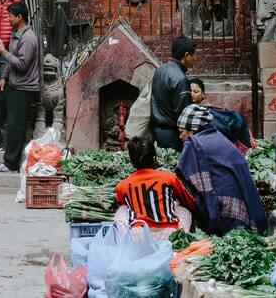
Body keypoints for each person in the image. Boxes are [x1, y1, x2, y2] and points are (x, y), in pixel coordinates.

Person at [176, 104, 267, 236]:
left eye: (181, 131)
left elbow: (182, 172)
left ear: (192, 128)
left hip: (224, 196)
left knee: (229, 237)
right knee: (238, 235)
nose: (180, 136)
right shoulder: (215, 134)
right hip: (238, 193)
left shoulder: (193, 143)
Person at [0, 2, 39, 173]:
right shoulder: (16, 33)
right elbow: (11, 61)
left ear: (19, 17)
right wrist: (3, 78)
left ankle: (10, 163)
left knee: (15, 126)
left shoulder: (28, 38)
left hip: (24, 89)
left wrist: (2, 52)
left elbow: (21, 64)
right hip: (12, 84)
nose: (8, 18)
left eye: (10, 16)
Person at [114, 136, 194, 239]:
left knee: (123, 209)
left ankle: (127, 243)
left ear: (132, 162)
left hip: (139, 237)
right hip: (170, 235)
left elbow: (122, 203)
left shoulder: (122, 185)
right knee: (184, 210)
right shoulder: (169, 177)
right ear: (154, 158)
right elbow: (190, 203)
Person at [150, 36, 196, 151]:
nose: (196, 58)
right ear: (186, 55)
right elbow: (184, 113)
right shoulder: (180, 78)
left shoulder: (160, 70)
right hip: (172, 136)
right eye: (194, 54)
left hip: (156, 131)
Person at [190, 77, 253, 154]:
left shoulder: (211, 112)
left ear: (203, 94)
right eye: (190, 91)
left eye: (196, 92)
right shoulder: (186, 110)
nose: (192, 94)